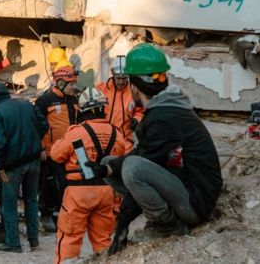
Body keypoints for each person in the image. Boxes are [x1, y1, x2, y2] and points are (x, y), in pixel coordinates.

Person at [86, 43, 223, 255]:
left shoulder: (164, 118)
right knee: (110, 163)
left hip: (196, 202)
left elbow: (139, 164)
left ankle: (168, 225)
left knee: (130, 166)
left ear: (134, 86)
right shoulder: (168, 109)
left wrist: (122, 223)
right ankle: (163, 216)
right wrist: (108, 169)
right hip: (186, 188)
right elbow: (144, 157)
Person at [51, 87, 128, 263]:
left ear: (82, 110)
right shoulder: (117, 133)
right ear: (103, 108)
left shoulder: (77, 132)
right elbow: (124, 156)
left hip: (79, 192)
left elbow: (56, 155)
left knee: (70, 237)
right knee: (103, 240)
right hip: (107, 191)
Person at [0, 82, 48, 253]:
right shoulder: (26, 104)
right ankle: (34, 241)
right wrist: (32, 140)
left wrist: (0, 165)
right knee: (31, 201)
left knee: (9, 205)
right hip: (34, 162)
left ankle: (13, 244)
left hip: (11, 167)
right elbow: (44, 125)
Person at [34, 65, 79, 232]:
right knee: (51, 185)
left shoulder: (74, 100)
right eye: (71, 83)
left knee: (69, 184)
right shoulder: (44, 101)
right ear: (60, 83)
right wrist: (40, 149)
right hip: (51, 152)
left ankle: (62, 215)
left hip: (71, 151)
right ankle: (46, 213)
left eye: (75, 82)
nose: (75, 86)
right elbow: (36, 127)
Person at [96, 55, 144, 146]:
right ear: (112, 73)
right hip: (103, 139)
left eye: (124, 78)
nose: (121, 82)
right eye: (118, 78)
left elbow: (140, 111)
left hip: (125, 141)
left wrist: (137, 119)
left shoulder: (134, 91)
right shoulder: (101, 89)